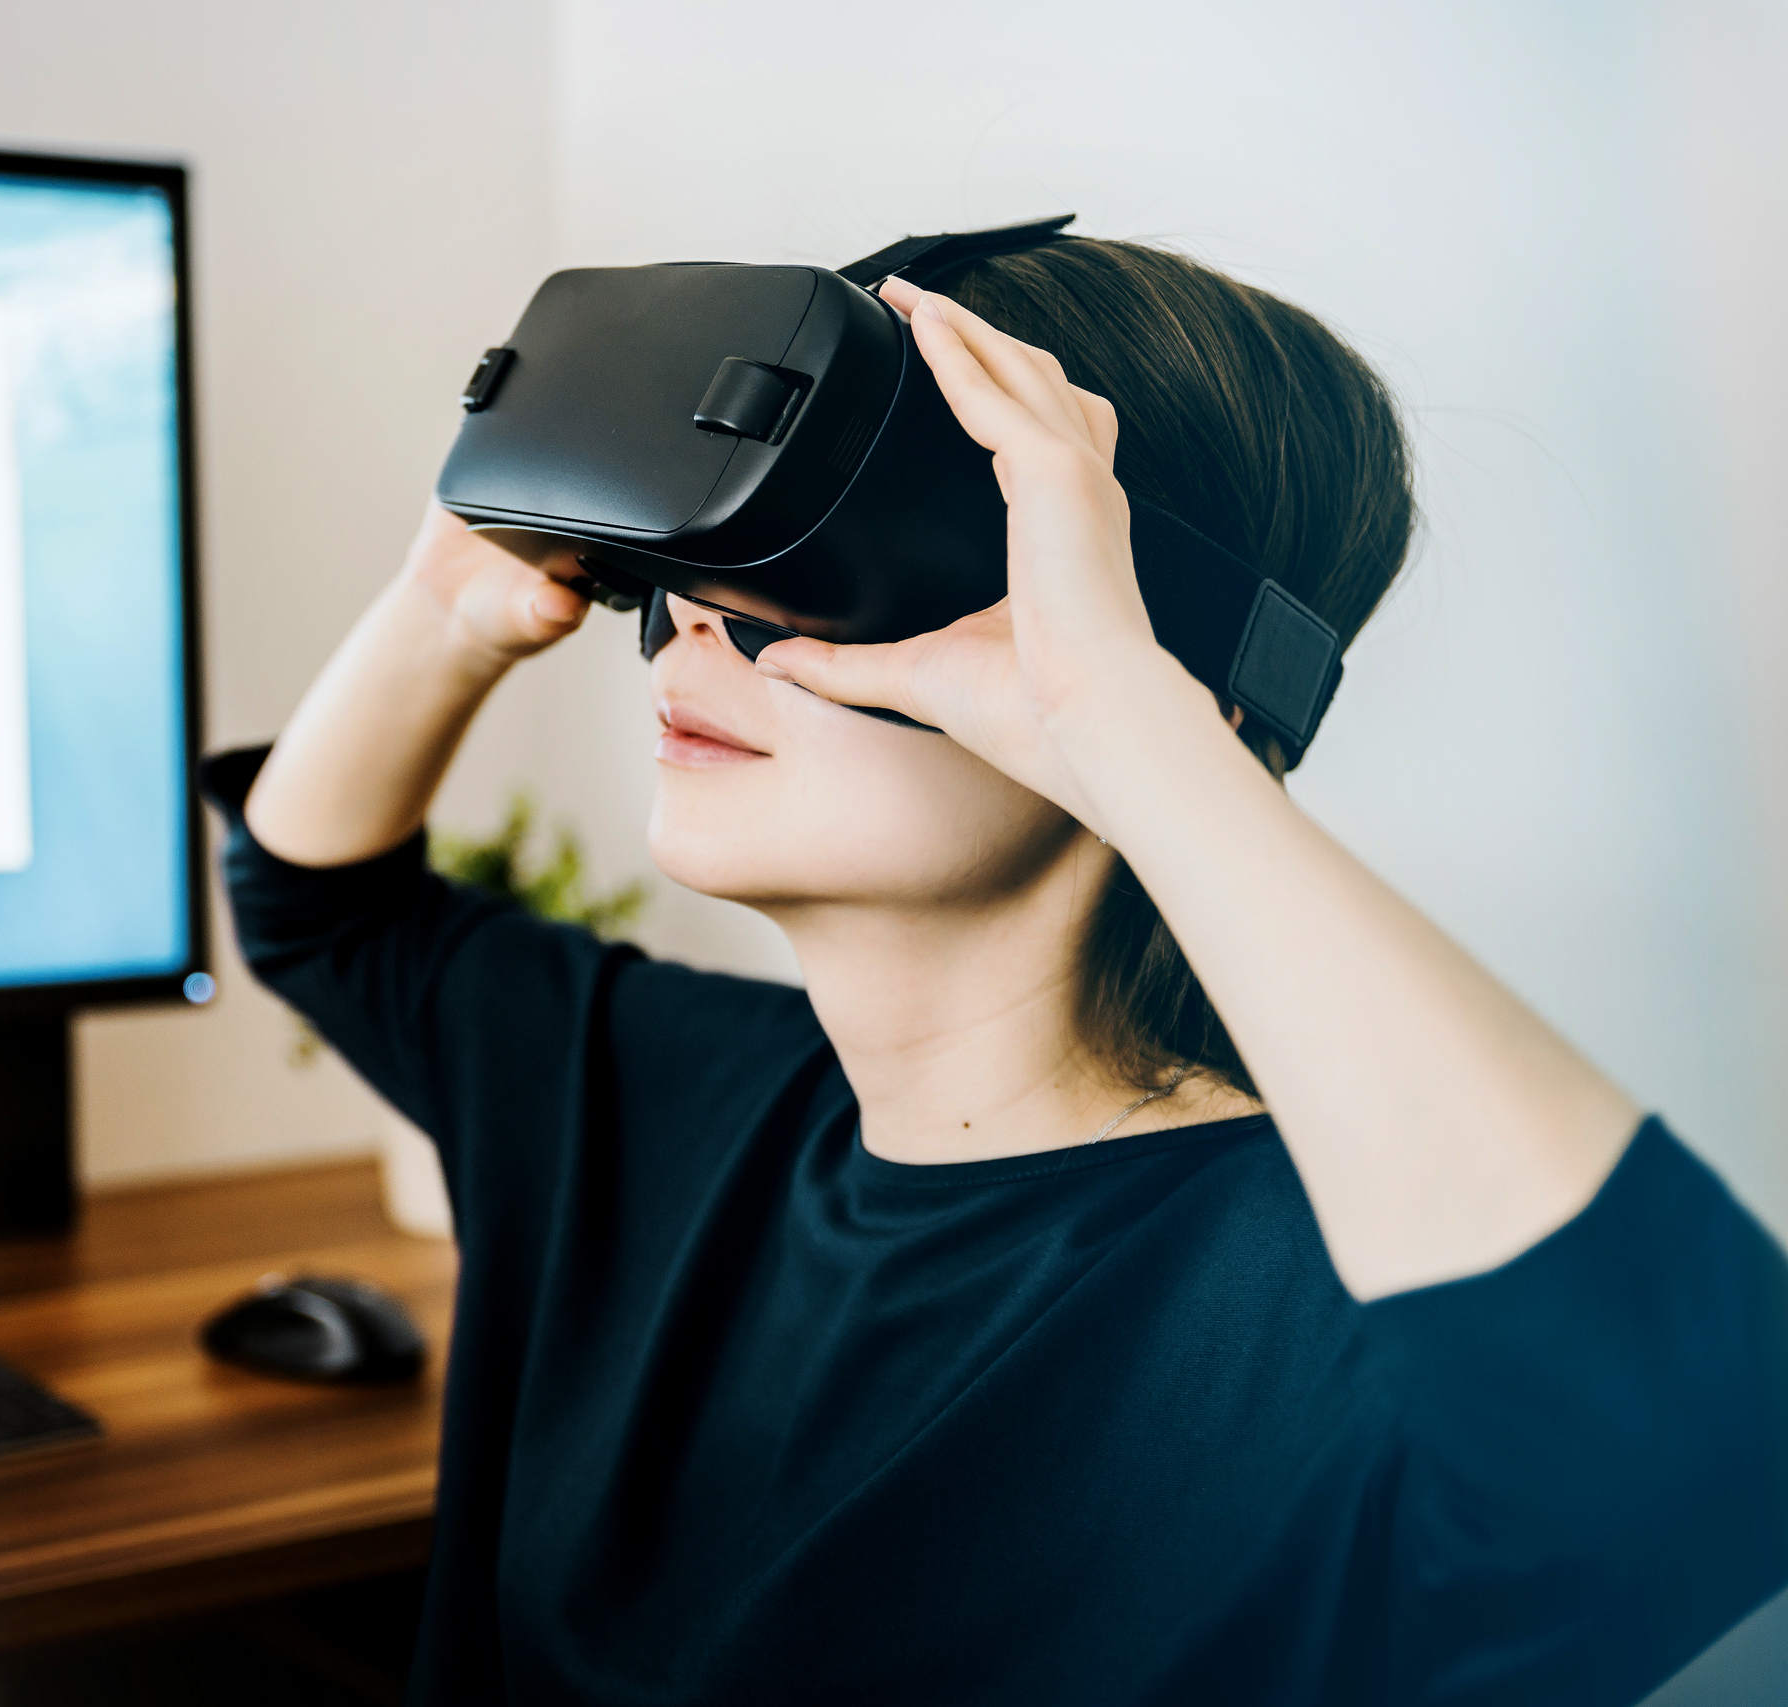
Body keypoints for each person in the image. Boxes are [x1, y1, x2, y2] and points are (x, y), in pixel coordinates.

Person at [203, 238, 1788, 1705]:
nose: (700, 613)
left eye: (821, 562)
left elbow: (1692, 1458)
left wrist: (1126, 721)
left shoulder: (1304, 1319)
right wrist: (449, 608)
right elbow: (318, 908)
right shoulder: (656, 1102)